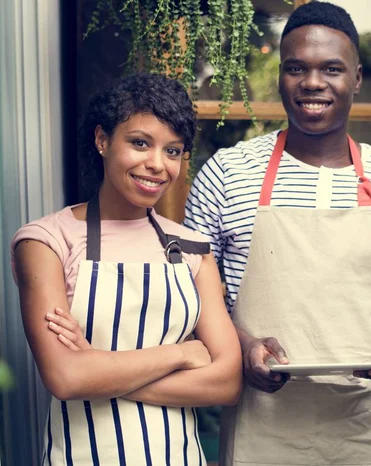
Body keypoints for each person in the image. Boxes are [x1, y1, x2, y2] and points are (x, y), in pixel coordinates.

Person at [185, 2, 371, 465]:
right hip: (261, 422)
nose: (313, 83)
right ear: (280, 76)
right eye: (296, 68)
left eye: (332, 69)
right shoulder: (227, 174)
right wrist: (243, 348)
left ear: (356, 78)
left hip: (363, 425)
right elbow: (191, 295)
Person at [12, 72, 242, 465]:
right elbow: (66, 378)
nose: (157, 165)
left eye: (173, 151)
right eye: (140, 143)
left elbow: (226, 383)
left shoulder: (191, 247)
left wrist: (97, 366)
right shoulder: (46, 241)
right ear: (103, 140)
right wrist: (182, 353)